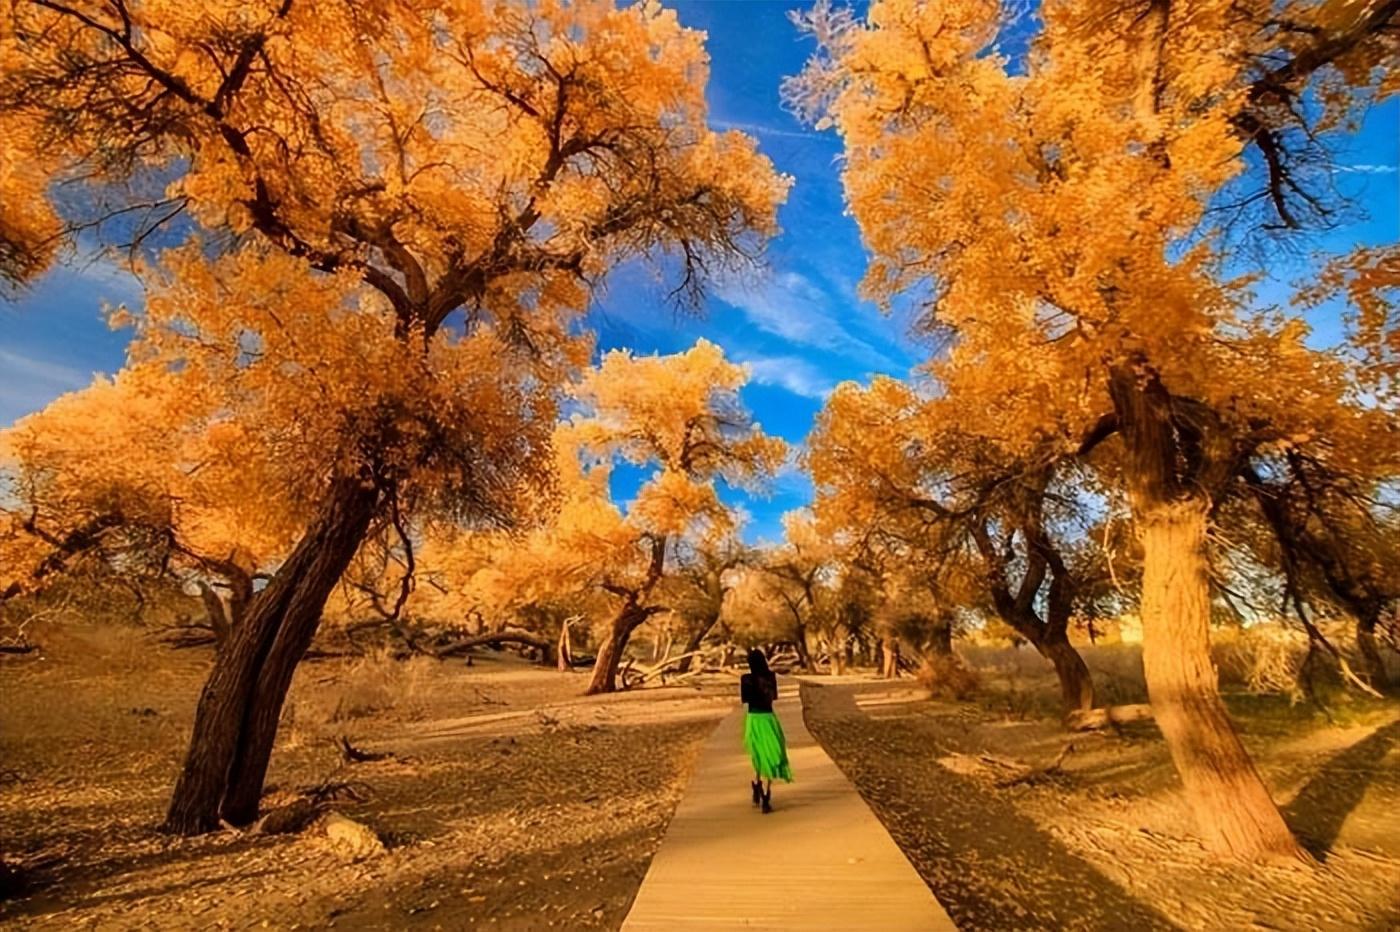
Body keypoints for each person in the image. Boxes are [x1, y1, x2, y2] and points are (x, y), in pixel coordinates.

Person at [740, 648, 792, 813]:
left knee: (758, 754)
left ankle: (757, 785)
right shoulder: (771, 677)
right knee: (771, 754)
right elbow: (773, 697)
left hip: (753, 719)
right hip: (768, 718)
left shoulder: (746, 679)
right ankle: (766, 795)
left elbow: (745, 699)